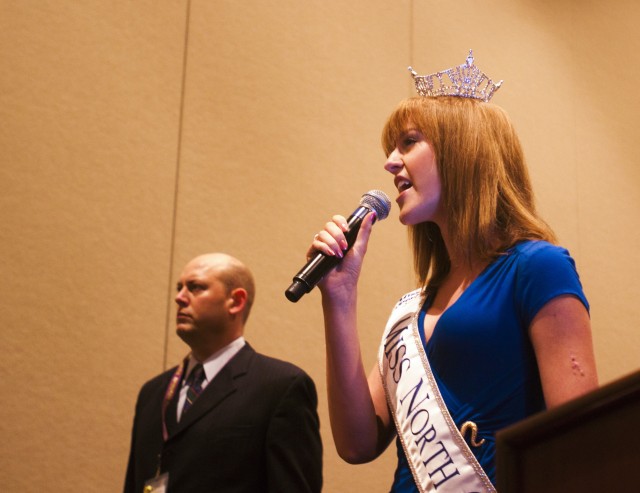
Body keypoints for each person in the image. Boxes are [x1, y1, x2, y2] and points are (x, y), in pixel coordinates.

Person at [307, 51, 597, 492]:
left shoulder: (538, 267)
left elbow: (580, 446)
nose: (389, 161)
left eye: (408, 142)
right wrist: (339, 298)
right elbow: (356, 442)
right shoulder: (412, 309)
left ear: (463, 150)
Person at [124, 253, 323, 493]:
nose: (179, 298)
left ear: (236, 301)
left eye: (195, 287)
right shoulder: (153, 392)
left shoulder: (280, 388)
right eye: (179, 288)